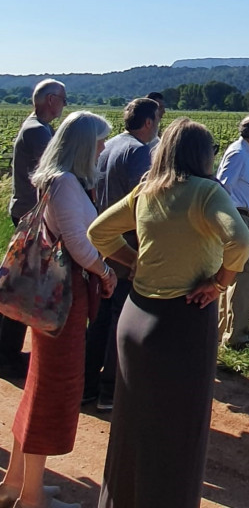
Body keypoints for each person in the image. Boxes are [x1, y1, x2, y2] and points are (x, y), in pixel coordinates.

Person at [87, 118, 249, 508]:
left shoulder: (146, 191)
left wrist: (132, 263)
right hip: (184, 322)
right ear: (203, 154)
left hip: (135, 317)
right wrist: (219, 282)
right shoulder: (206, 194)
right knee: (179, 432)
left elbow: (98, 233)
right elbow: (240, 241)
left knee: (132, 427)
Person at [0, 111, 117, 508]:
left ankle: (17, 483)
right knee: (52, 394)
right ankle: (31, 498)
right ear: (84, 145)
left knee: (37, 387)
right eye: (100, 142)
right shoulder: (67, 184)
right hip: (64, 303)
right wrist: (105, 272)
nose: (103, 149)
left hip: (53, 300)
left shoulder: (58, 180)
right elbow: (81, 246)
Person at [83, 97, 160, 412]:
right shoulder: (139, 152)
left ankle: (87, 385)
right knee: (121, 317)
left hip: (103, 242)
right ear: (147, 123)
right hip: (125, 246)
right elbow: (145, 204)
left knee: (100, 317)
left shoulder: (109, 145)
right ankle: (111, 391)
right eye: (157, 119)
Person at [2, 79, 68, 379]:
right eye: (63, 99)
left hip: (25, 211)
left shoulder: (37, 127)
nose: (64, 105)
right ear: (50, 100)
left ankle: (6, 351)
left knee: (21, 282)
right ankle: (7, 355)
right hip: (31, 214)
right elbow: (53, 171)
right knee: (23, 287)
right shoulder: (37, 131)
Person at [216, 114, 249, 348]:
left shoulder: (242, 152)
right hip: (238, 218)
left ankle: (224, 330)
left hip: (237, 217)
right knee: (246, 273)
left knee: (233, 272)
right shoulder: (239, 154)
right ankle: (237, 336)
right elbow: (222, 186)